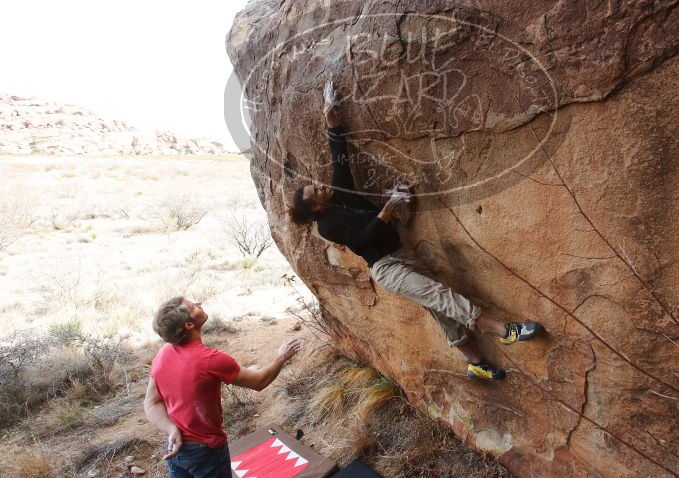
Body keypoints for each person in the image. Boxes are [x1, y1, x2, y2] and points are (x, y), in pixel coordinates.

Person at [288, 81, 543, 381]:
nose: (319, 185)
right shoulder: (328, 226)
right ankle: (503, 330)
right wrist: (389, 206)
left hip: (402, 255)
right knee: (439, 294)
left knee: (439, 306)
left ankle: (475, 362)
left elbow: (339, 157)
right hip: (387, 269)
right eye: (314, 190)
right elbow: (364, 237)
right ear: (315, 207)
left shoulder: (340, 196)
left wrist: (331, 120)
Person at [144, 296, 301, 477]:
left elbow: (151, 403)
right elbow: (260, 382)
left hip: (175, 447)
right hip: (206, 451)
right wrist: (281, 357)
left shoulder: (163, 354)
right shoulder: (211, 359)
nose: (199, 304)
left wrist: (171, 429)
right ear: (188, 325)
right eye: (193, 306)